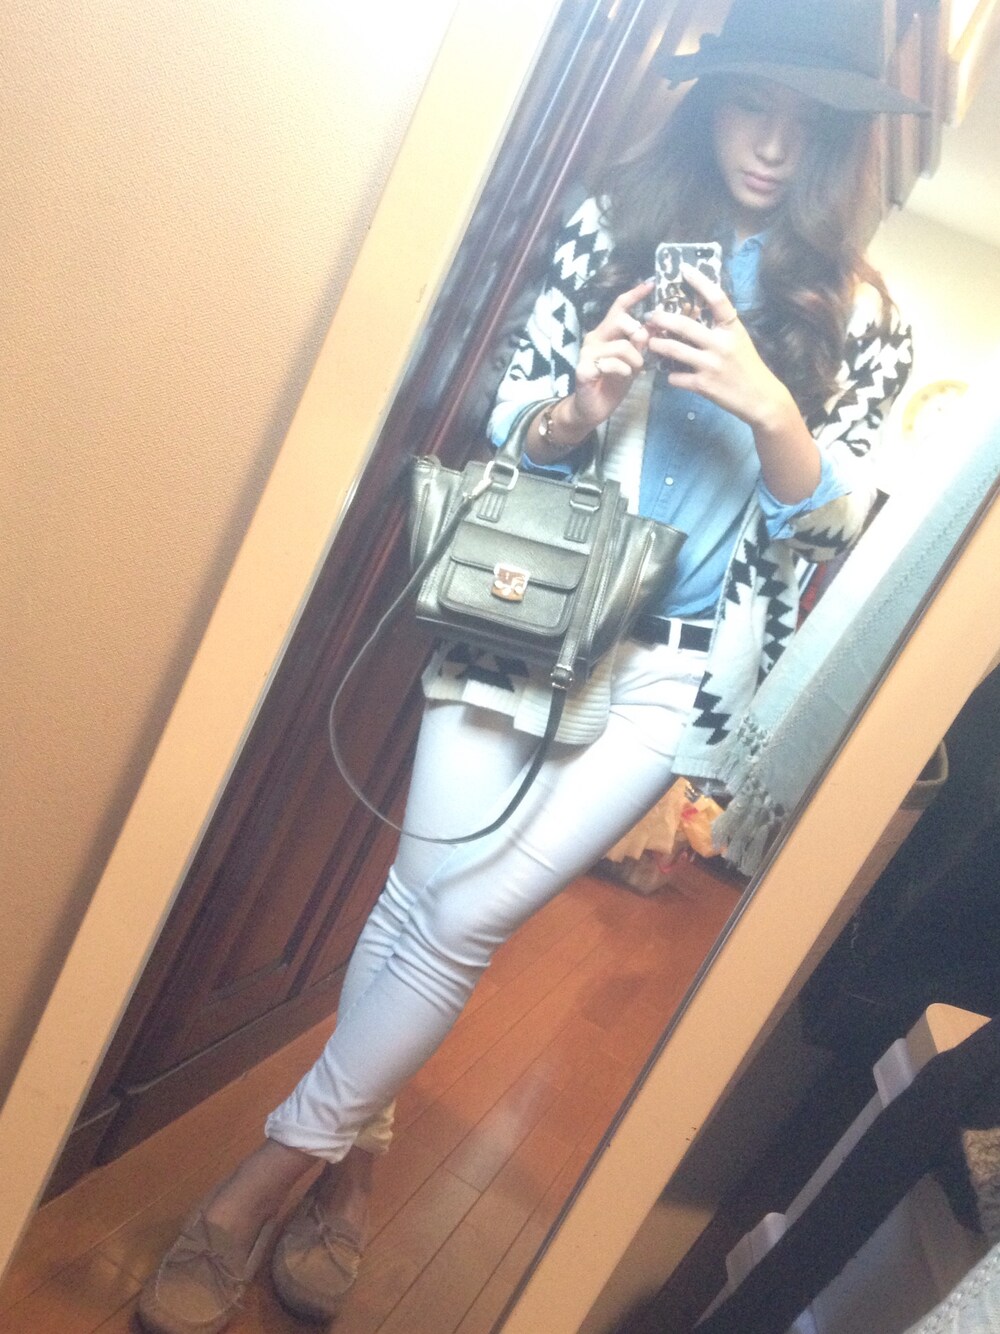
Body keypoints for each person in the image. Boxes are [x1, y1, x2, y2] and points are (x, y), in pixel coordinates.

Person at [138, 2, 924, 1330]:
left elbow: (824, 533)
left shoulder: (863, 316)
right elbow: (514, 424)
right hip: (527, 603)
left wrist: (770, 407)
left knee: (464, 919)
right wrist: (584, 401)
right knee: (418, 901)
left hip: (673, 673)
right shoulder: (611, 222)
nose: (774, 147)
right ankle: (350, 1178)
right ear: (713, 99)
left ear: (843, 140)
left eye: (809, 124)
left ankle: (253, 1185)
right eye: (753, 107)